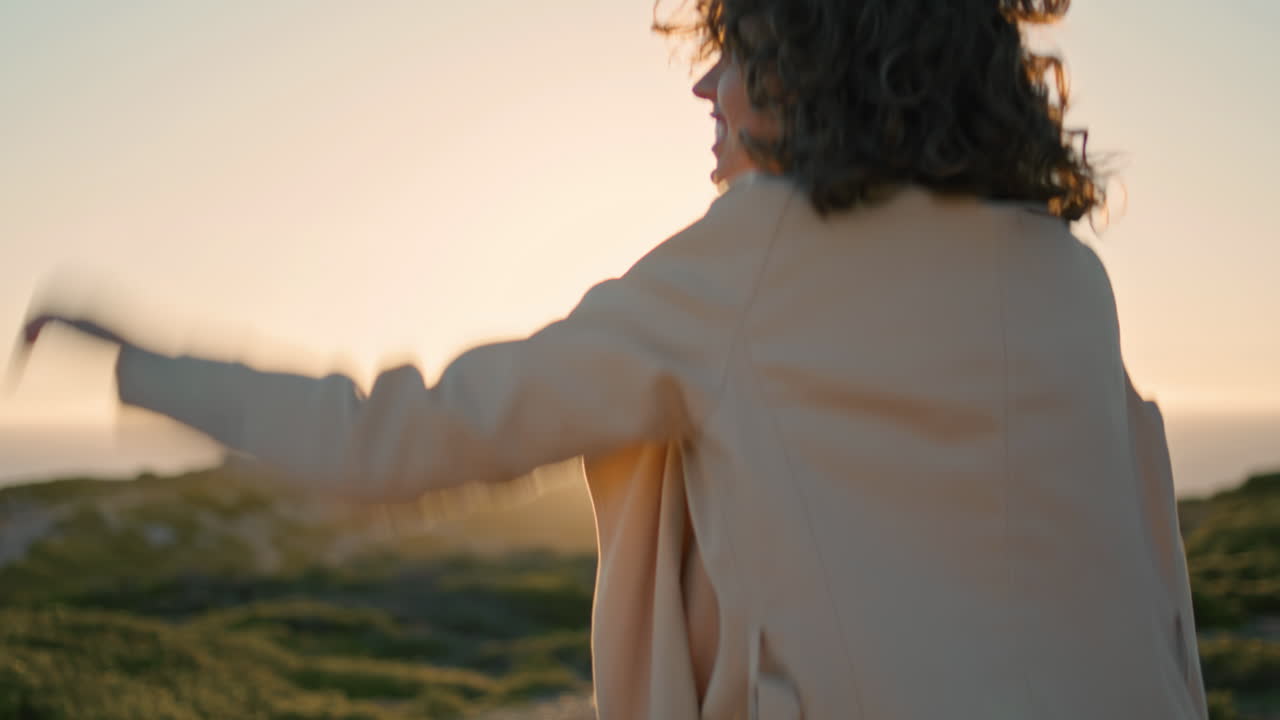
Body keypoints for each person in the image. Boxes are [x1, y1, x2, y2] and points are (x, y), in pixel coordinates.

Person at [20, 0, 1208, 718]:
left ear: (821, 67)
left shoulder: (749, 258)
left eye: (739, 49)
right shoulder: (1066, 277)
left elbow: (407, 439)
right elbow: (1151, 584)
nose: (706, 81)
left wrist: (143, 367)